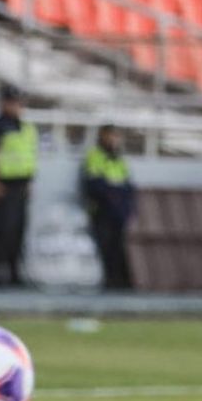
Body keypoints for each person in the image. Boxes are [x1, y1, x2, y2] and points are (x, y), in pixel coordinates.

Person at [0, 84, 37, 287]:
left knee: (18, 231)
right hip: (3, 185)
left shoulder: (26, 127)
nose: (16, 106)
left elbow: (28, 156)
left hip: (21, 185)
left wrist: (29, 182)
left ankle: (14, 272)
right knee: (0, 230)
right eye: (12, 102)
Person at [82, 124, 135, 290]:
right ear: (102, 136)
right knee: (104, 246)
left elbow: (128, 185)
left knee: (118, 247)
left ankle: (119, 282)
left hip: (119, 211)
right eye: (110, 135)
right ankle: (107, 281)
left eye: (116, 136)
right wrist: (113, 192)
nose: (113, 139)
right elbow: (94, 184)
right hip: (102, 210)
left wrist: (126, 205)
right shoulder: (94, 156)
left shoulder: (120, 159)